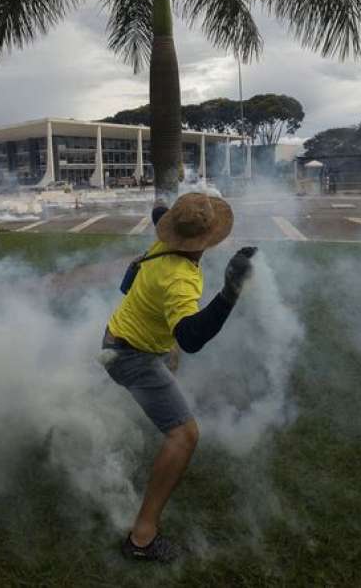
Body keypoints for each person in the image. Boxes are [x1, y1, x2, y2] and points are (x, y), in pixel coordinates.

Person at [102, 192, 257, 563]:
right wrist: (230, 293)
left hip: (122, 337)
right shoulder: (181, 278)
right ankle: (141, 540)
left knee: (169, 359)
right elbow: (189, 338)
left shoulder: (163, 236)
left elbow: (159, 212)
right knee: (185, 435)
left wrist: (166, 204)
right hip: (130, 356)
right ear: (206, 240)